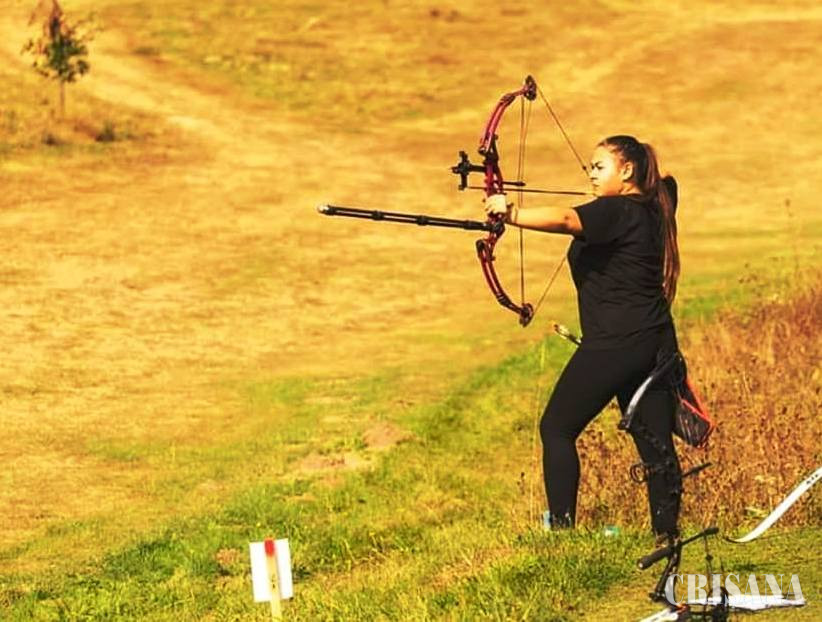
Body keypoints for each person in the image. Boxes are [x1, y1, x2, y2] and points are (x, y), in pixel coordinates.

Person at [484, 135, 682, 540]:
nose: (590, 174)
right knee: (655, 444)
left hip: (615, 343)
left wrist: (511, 211)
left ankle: (562, 534)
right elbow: (669, 185)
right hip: (655, 341)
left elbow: (566, 220)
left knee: (556, 428)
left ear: (627, 171)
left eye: (599, 167)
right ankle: (667, 537)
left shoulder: (618, 209)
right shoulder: (654, 206)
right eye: (590, 167)